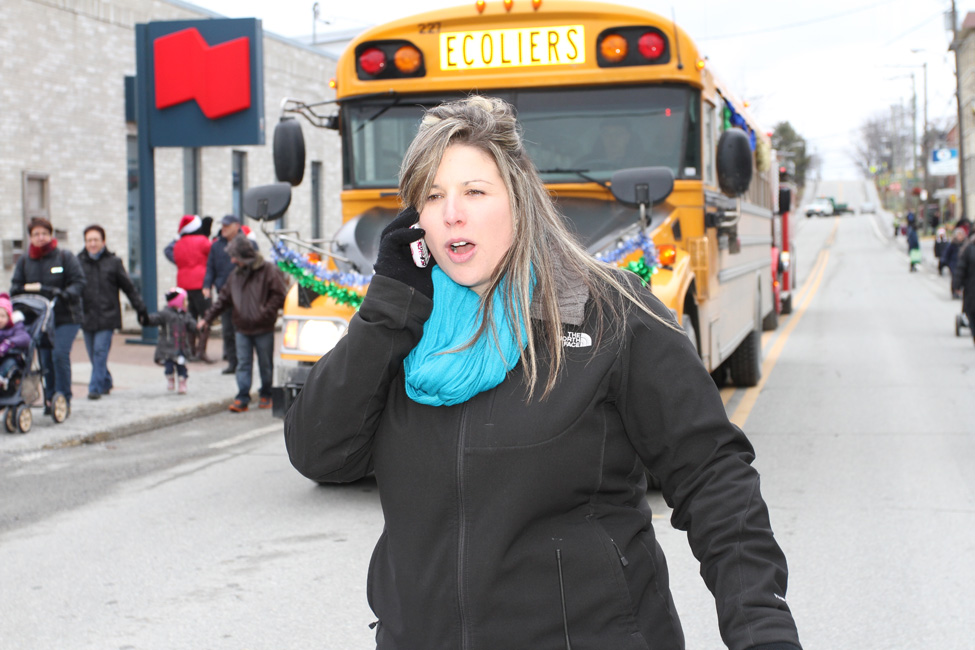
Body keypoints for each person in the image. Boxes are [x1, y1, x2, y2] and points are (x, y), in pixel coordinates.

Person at [284, 96, 801, 649]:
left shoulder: (610, 313)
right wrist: (386, 310)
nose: (451, 212)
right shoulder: (402, 323)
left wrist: (760, 628)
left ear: (519, 199)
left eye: (474, 192)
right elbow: (321, 454)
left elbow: (713, 478)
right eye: (432, 196)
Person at [199, 236, 287, 413]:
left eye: (234, 256)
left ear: (245, 255)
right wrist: (207, 318)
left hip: (264, 328)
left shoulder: (269, 270)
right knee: (243, 364)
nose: (232, 260)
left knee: (265, 364)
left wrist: (264, 313)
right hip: (242, 329)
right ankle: (242, 397)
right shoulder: (235, 276)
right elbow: (223, 300)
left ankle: (266, 394)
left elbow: (279, 295)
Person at [10, 217, 86, 410]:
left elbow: (79, 282)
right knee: (45, 360)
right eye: (36, 234)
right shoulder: (26, 261)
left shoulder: (64, 257)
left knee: (59, 355)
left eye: (44, 233)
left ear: (50, 235)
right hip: (40, 319)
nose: (41, 237)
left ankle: (64, 397)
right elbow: (15, 286)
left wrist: (64, 293)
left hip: (65, 317)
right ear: (30, 237)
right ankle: (50, 397)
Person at [77, 225, 148, 400]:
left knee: (100, 352)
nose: (92, 243)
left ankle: (95, 388)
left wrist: (141, 308)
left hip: (108, 316)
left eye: (96, 240)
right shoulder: (78, 262)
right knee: (94, 355)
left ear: (103, 241)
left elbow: (129, 288)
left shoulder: (114, 262)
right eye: (89, 240)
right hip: (87, 317)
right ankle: (106, 381)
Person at [203, 215, 257, 375]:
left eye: (227, 225)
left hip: (244, 295)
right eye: (223, 225)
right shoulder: (216, 246)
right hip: (225, 295)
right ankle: (233, 363)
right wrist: (207, 285)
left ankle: (244, 363)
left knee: (243, 330)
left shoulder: (249, 244)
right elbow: (210, 267)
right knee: (228, 331)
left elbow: (256, 266)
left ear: (236, 226)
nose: (223, 228)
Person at [171, 214, 212, 361]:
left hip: (183, 286)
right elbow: (212, 254)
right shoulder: (203, 241)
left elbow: (175, 258)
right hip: (201, 285)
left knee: (189, 317)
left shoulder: (178, 244)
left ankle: (191, 350)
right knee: (207, 317)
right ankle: (201, 351)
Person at [143, 287, 197, 394]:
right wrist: (146, 319)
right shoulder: (165, 313)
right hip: (168, 348)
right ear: (178, 301)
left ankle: (182, 383)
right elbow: (155, 318)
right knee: (168, 366)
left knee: (182, 367)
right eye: (185, 300)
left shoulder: (185, 314)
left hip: (181, 347)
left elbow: (192, 325)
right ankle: (170, 379)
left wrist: (198, 326)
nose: (187, 303)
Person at [0, 293, 31, 393]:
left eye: (2, 316)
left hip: (12, 357)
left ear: (9, 317)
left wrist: (9, 343)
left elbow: (25, 338)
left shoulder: (15, 327)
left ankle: (1, 378)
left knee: (9, 363)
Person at [953, 231, 975, 346]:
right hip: (971, 289)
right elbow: (961, 269)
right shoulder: (969, 250)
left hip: (970, 290)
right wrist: (956, 285)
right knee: (971, 313)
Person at [942, 228, 967, 294]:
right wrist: (945, 262)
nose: (960, 237)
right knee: (954, 278)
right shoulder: (952, 244)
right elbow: (947, 253)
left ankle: (958, 290)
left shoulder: (965, 244)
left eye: (961, 235)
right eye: (959, 235)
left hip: (962, 264)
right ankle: (954, 291)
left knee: (961, 278)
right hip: (953, 264)